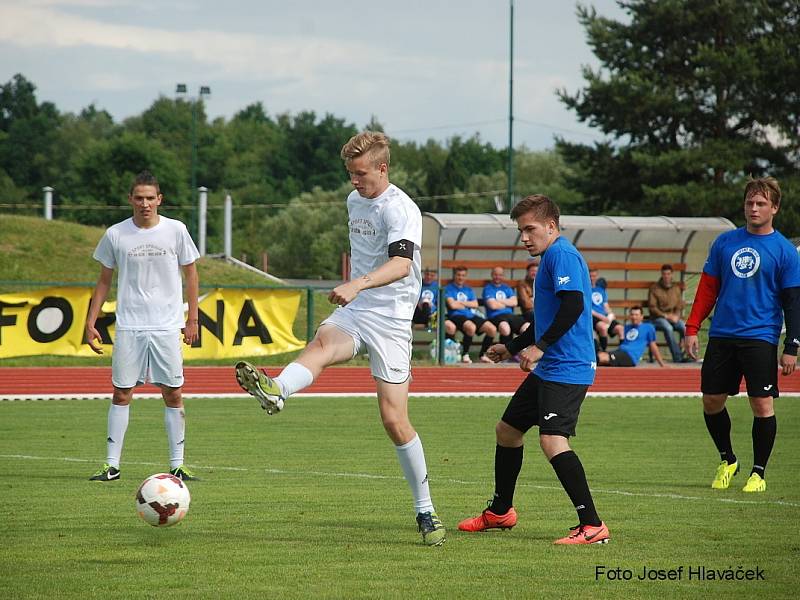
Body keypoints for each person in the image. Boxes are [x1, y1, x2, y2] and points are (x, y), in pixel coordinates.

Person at [234, 131, 446, 545]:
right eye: (350, 173)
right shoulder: (354, 199)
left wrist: (358, 284)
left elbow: (402, 265)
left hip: (391, 317)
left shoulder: (401, 209)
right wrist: (357, 292)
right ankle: (277, 390)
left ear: (383, 168)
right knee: (323, 344)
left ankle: (426, 510)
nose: (354, 181)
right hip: (359, 307)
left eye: (361, 173)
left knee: (394, 420)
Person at [458, 194, 609, 545]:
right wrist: (511, 347)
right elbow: (548, 318)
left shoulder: (562, 254)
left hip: (567, 367)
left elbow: (573, 306)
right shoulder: (551, 257)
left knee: (552, 440)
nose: (524, 237)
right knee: (507, 430)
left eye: (530, 229)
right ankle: (500, 512)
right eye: (520, 230)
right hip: (550, 368)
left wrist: (538, 348)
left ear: (551, 226)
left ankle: (593, 525)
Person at [686, 176, 800, 494]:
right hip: (722, 333)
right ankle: (728, 459)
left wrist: (792, 345)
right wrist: (692, 327)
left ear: (774, 208)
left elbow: (793, 303)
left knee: (761, 405)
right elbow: (707, 289)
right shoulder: (725, 243)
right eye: (750, 202)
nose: (754, 207)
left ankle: (758, 472)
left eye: (761, 203)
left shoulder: (785, 252)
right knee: (711, 401)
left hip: (761, 336)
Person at [86, 170, 200, 482]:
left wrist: (192, 320)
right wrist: (90, 321)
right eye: (139, 198)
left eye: (151, 198)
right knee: (121, 393)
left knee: (173, 393)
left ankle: (178, 464)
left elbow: (191, 274)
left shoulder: (176, 230)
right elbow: (104, 280)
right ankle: (112, 465)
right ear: (130, 200)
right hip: (130, 326)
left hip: (166, 326)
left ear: (160, 200)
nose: (145, 204)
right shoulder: (116, 234)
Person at [444, 266, 498, 363]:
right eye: (458, 275)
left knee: (492, 329)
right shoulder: (448, 288)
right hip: (456, 316)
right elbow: (452, 305)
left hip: (470, 315)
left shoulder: (468, 289)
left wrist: (460, 303)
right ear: (454, 275)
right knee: (471, 327)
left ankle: (483, 355)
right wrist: (467, 304)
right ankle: (465, 354)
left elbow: (475, 304)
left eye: (463, 275)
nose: (461, 277)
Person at [596, 306, 666, 367]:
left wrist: (661, 364)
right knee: (600, 355)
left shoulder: (648, 327)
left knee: (602, 358)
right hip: (620, 352)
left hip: (630, 356)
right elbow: (609, 330)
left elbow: (653, 346)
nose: (634, 317)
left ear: (642, 316)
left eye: (636, 315)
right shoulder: (626, 327)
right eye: (632, 314)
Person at [648, 264, 688, 362]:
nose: (666, 276)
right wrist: (666, 316)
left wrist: (677, 316)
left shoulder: (676, 288)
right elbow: (652, 307)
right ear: (661, 275)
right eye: (664, 274)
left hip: (673, 317)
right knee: (668, 328)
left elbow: (679, 304)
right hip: (658, 318)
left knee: (685, 327)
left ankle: (689, 355)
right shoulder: (654, 288)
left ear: (671, 275)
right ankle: (677, 357)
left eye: (668, 274)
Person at [483, 266, 527, 346]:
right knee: (505, 328)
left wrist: (498, 301)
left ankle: (518, 351)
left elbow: (514, 302)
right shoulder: (488, 288)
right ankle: (503, 354)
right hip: (495, 316)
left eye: (500, 275)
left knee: (526, 328)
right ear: (492, 275)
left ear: (503, 276)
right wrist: (507, 303)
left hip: (510, 315)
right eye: (495, 274)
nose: (497, 277)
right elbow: (493, 306)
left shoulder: (506, 288)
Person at [589, 268, 623, 351]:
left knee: (620, 328)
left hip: (604, 317)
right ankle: (603, 351)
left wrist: (611, 314)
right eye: (590, 276)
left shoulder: (601, 290)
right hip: (593, 316)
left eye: (594, 276)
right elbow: (588, 308)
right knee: (603, 328)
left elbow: (605, 305)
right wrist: (602, 317)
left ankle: (623, 351)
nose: (592, 278)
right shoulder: (585, 290)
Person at [516, 259, 538, 325]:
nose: (534, 273)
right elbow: (526, 304)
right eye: (532, 271)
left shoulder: (541, 284)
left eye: (536, 271)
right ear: (527, 272)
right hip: (529, 313)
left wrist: (532, 300)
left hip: (540, 311)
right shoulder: (522, 284)